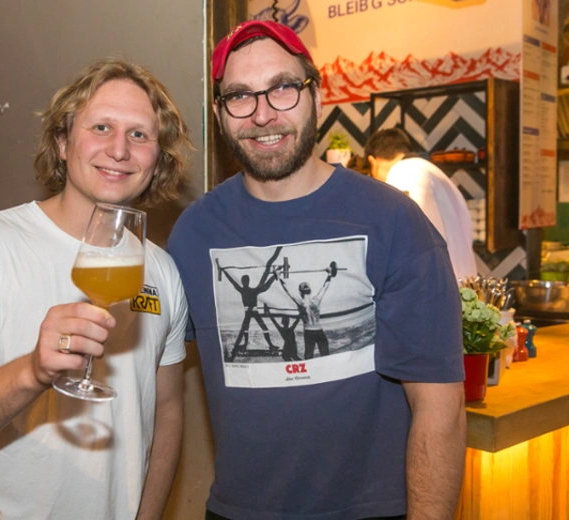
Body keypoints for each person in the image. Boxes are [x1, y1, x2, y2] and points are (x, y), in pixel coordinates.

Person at [167, 20, 466, 520]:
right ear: (219, 115)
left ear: (317, 98)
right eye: (239, 96)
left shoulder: (393, 221)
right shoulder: (194, 233)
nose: (263, 113)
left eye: (283, 88)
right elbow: (155, 382)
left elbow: (441, 407)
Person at [0, 58, 192, 520]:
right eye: (101, 127)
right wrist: (32, 371)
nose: (119, 149)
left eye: (140, 135)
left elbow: (166, 411)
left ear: (157, 158)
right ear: (63, 142)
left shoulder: (161, 271)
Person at [364, 127, 477, 280]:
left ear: (372, 161)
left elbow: (408, 237)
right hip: (462, 282)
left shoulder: (403, 172)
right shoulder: (433, 171)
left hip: (439, 284)